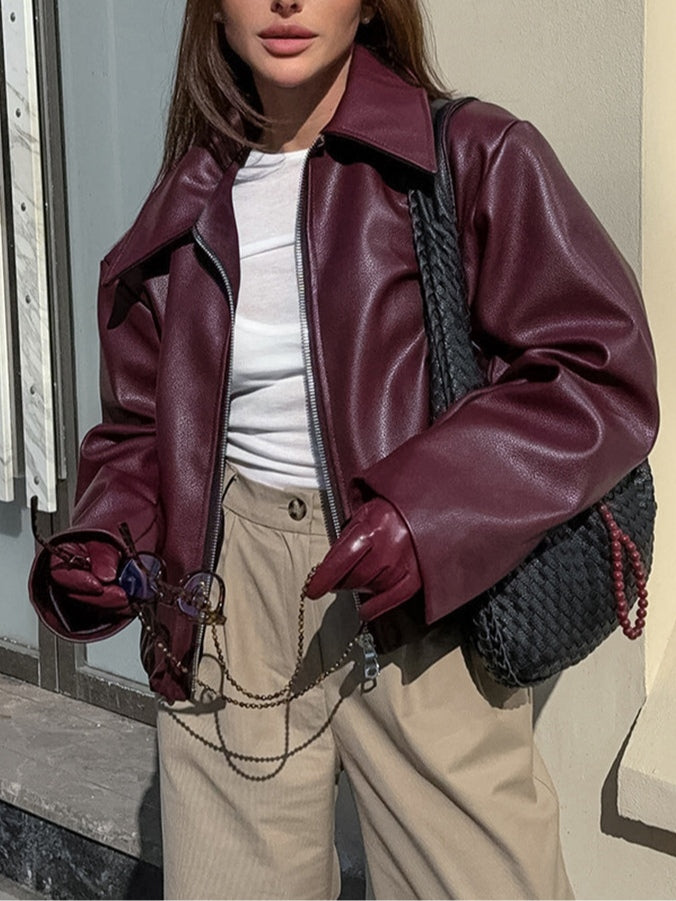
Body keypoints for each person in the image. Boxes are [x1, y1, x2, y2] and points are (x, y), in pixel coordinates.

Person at [29, 0, 658, 898]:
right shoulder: (187, 198)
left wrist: (428, 512)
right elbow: (139, 425)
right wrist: (110, 533)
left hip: (421, 601)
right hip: (226, 603)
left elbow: (599, 369)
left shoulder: (471, 153)